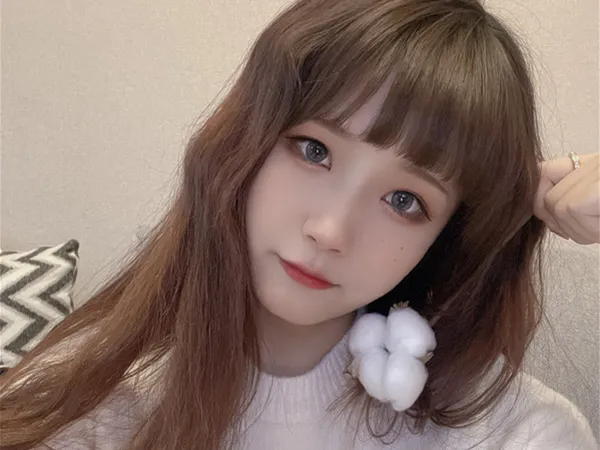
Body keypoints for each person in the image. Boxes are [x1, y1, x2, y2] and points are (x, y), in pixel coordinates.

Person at [1, 0, 598, 449]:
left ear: (444, 236)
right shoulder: (84, 408)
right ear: (243, 142)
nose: (330, 231)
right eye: (314, 151)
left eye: (404, 200)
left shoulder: (513, 433)